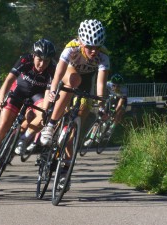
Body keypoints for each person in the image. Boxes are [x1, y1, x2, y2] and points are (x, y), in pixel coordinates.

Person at [38, 19, 110, 190]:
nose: (93, 51)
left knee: (75, 128)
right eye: (89, 47)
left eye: (97, 47)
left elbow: (100, 83)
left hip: (86, 82)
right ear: (81, 41)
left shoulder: (104, 55)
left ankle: (65, 171)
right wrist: (54, 89)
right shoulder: (72, 47)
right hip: (69, 73)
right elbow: (58, 72)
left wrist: (100, 106)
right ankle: (51, 125)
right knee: (72, 82)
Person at [0, 38, 56, 177]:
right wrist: (1, 99)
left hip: (36, 96)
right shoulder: (25, 60)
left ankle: (24, 137)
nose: (42, 64)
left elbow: (48, 93)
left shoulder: (52, 68)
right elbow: (9, 80)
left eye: (46, 61)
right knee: (3, 125)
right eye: (39, 59)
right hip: (18, 92)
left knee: (44, 114)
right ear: (34, 55)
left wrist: (43, 113)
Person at [84, 74, 127, 146]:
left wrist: (115, 112)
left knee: (119, 112)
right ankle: (91, 139)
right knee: (99, 118)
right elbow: (101, 92)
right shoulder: (107, 84)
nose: (116, 87)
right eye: (114, 85)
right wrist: (101, 104)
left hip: (120, 100)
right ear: (111, 83)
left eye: (118, 86)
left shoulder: (124, 89)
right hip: (111, 98)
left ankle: (111, 128)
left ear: (121, 85)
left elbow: (120, 103)